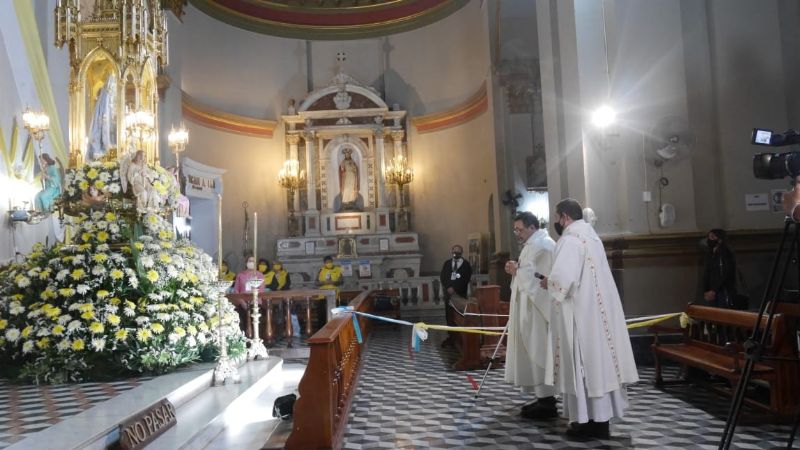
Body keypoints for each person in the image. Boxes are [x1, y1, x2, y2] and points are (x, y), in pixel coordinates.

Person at [540, 198, 638, 439]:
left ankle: (587, 423)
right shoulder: (592, 237)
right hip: (597, 316)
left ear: (564, 217)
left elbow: (564, 281)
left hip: (581, 318)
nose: (555, 222)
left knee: (585, 368)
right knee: (599, 368)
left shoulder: (570, 240)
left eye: (556, 217)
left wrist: (547, 282)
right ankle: (600, 422)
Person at [504, 212, 556, 419]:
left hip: (538, 310)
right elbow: (525, 273)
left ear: (533, 227)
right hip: (528, 309)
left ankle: (548, 402)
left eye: (520, 229)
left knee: (539, 351)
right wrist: (514, 270)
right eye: (515, 229)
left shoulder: (545, 245)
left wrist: (518, 272)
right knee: (532, 352)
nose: (517, 233)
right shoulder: (531, 245)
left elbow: (541, 279)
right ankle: (542, 397)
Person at [440, 244, 472, 347]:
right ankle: (452, 336)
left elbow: (466, 278)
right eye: (454, 251)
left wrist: (455, 288)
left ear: (461, 253)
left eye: (458, 251)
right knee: (449, 315)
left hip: (460, 294)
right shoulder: (447, 263)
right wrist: (448, 287)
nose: (456, 253)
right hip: (448, 294)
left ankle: (461, 336)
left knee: (460, 314)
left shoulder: (466, 264)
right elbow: (443, 276)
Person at [703, 229, 738, 309]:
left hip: (723, 290)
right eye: (709, 237)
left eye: (712, 237)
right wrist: (706, 290)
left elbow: (727, 273)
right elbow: (707, 273)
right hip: (711, 292)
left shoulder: (726, 253)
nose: (710, 239)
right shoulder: (710, 254)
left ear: (720, 239)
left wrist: (714, 290)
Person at [316, 256, 343, 328]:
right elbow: (316, 283)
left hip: (334, 294)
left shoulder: (338, 270)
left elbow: (341, 282)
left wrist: (333, 282)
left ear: (332, 261)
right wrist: (324, 283)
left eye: (330, 262)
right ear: (324, 263)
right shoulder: (321, 270)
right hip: (322, 295)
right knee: (322, 313)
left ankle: (335, 327)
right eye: (327, 262)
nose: (329, 263)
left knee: (335, 312)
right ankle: (321, 328)